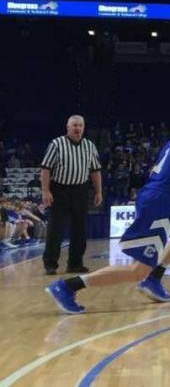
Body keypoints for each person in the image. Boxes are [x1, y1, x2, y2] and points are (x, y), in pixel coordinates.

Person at [45, 99, 170, 314]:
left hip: (158, 196)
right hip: (160, 201)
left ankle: (154, 278)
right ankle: (67, 286)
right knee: (137, 271)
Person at [40, 115, 103, 276]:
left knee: (80, 229)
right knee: (56, 229)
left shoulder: (90, 146)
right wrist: (45, 191)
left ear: (83, 127)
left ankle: (75, 263)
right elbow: (46, 169)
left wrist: (98, 192)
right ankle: (50, 264)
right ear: (67, 127)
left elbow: (95, 171)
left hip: (80, 190)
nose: (77, 128)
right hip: (59, 190)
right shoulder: (56, 144)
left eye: (80, 125)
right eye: (74, 125)